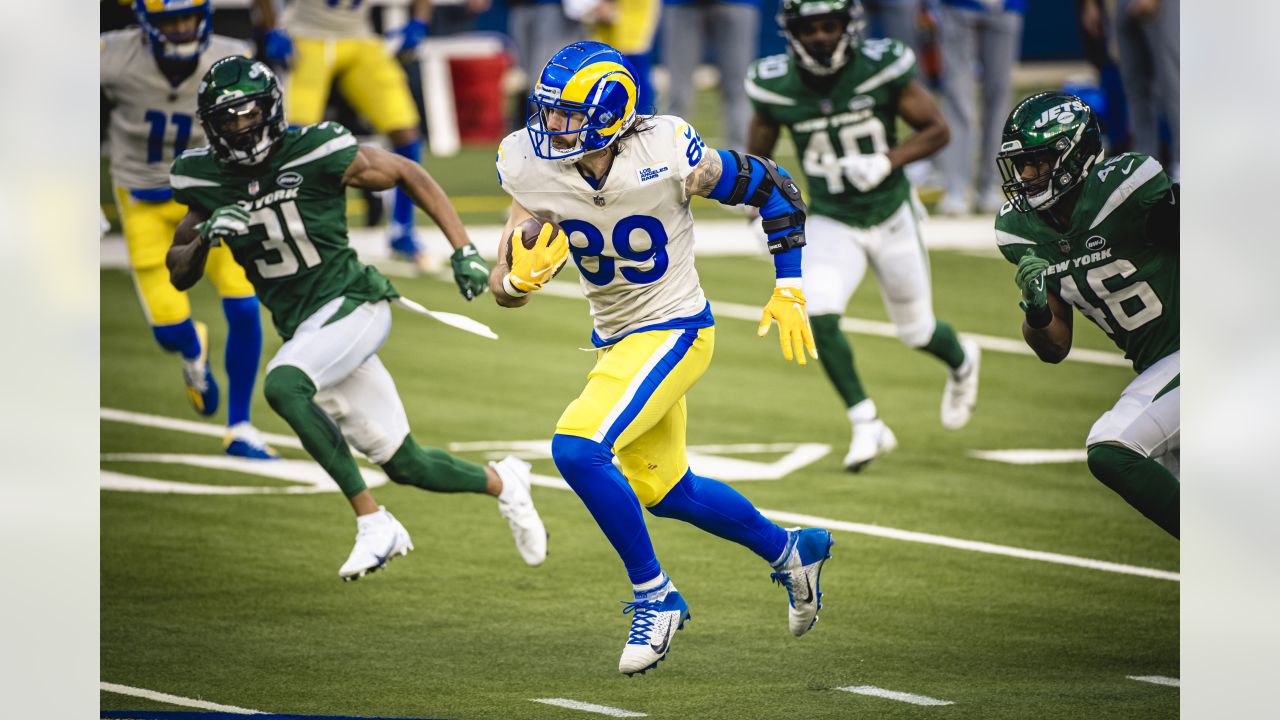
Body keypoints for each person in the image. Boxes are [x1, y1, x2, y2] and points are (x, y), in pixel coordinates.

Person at [491, 41, 834, 675]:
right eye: (547, 112)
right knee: (666, 489)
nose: (549, 126)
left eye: (566, 114)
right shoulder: (528, 165)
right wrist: (514, 282)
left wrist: (789, 283)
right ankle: (792, 551)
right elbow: (504, 274)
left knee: (576, 447)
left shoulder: (666, 149)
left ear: (610, 111)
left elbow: (774, 187)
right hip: (618, 338)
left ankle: (657, 595)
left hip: (675, 327)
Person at [166, 56, 548, 579]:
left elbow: (407, 171)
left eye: (248, 113)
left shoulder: (316, 150)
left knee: (283, 384)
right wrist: (207, 237)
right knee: (407, 463)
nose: (240, 126)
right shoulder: (203, 179)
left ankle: (373, 520)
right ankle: (506, 481)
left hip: (354, 302)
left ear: (271, 109)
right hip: (308, 328)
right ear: (211, 125)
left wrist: (462, 249)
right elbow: (179, 271)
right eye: (227, 118)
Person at [746, 0, 980, 472]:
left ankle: (962, 360)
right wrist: (757, 214)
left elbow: (937, 129)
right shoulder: (774, 84)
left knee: (917, 331)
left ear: (848, 26)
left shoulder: (882, 67)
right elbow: (758, 162)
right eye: (809, 28)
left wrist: (888, 161)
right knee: (818, 312)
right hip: (832, 218)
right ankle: (866, 420)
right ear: (791, 32)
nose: (820, 37)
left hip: (892, 214)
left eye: (829, 25)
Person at [994, 91, 1179, 538]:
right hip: (1160, 368)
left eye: (1037, 162)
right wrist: (1036, 311)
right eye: (1021, 165)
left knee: (1112, 445)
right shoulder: (1019, 231)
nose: (1027, 176)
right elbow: (1055, 347)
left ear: (1073, 154)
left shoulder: (1125, 189)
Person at [101, 0, 277, 459]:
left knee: (243, 306)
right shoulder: (110, 56)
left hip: (213, 196)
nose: (181, 29)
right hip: (143, 201)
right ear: (145, 23)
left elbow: (268, 126)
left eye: (188, 18)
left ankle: (240, 425)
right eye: (169, 20)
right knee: (168, 328)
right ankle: (190, 346)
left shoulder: (232, 58)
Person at [252, 0, 437, 270]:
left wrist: (419, 22)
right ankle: (287, 228)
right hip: (307, 35)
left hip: (358, 36)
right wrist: (272, 28)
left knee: (405, 130)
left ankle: (403, 229)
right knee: (295, 137)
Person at [934, 0, 1025, 215]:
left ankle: (990, 186)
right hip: (957, 5)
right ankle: (957, 188)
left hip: (1007, 6)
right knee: (958, 96)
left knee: (999, 95)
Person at [660, 0, 760, 150]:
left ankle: (741, 163)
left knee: (739, 89)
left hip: (737, 4)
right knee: (678, 91)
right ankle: (670, 156)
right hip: (682, 4)